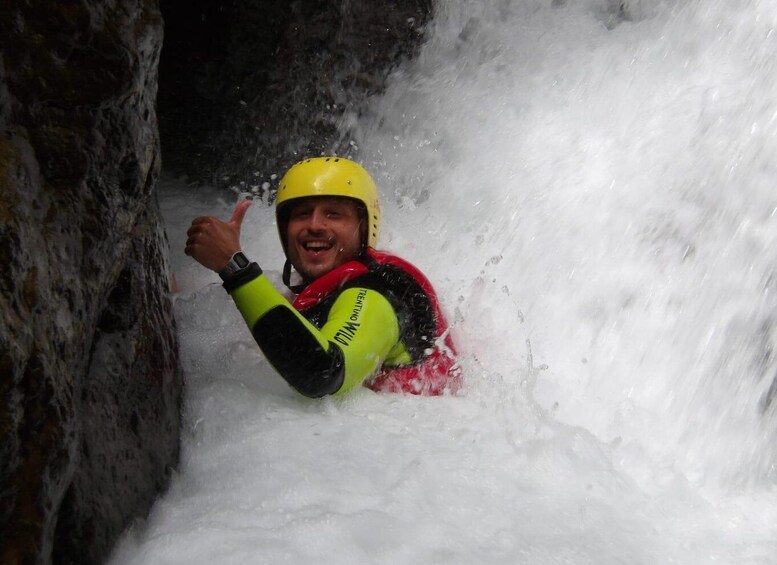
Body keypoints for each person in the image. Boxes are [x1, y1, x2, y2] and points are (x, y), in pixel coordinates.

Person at [185, 156, 459, 397]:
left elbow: (322, 373)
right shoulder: (322, 286)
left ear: (363, 228)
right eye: (302, 214)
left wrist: (234, 266)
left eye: (333, 214)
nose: (315, 225)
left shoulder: (373, 297)